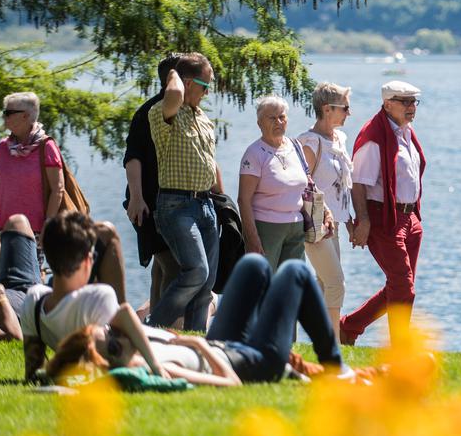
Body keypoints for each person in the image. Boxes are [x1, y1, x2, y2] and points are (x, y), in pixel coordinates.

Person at [48, 253, 347, 387]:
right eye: (113, 344)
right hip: (252, 361)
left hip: (221, 343)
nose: (118, 335)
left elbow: (125, 315)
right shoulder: (149, 368)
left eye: (109, 331)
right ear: (109, 361)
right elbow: (229, 383)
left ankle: (275, 340)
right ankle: (335, 369)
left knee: (252, 265)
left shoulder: (135, 349)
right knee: (296, 271)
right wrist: (197, 345)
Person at [342, 80, 426, 346]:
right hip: (384, 218)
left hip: (409, 217)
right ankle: (401, 350)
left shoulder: (405, 131)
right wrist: (363, 220)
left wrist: (412, 217)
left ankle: (350, 326)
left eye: (414, 101)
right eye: (405, 101)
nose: (412, 106)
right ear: (388, 104)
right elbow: (358, 182)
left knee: (401, 285)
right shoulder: (374, 136)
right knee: (403, 286)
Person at [22, 212, 150, 382]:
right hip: (153, 348)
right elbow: (126, 350)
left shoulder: (33, 299)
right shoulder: (99, 297)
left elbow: (33, 371)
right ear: (88, 261)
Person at [146, 53, 223, 332]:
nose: (207, 92)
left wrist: (222, 203)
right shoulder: (163, 113)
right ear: (188, 82)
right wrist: (174, 73)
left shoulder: (202, 117)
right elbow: (175, 93)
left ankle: (196, 341)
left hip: (206, 206)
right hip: (176, 205)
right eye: (205, 85)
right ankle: (152, 328)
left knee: (206, 285)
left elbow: (211, 164)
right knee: (196, 271)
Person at [296, 83, 353, 340]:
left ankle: (318, 342)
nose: (349, 113)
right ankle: (333, 344)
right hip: (315, 220)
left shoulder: (339, 139)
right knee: (335, 283)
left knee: (323, 283)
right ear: (327, 109)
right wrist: (324, 215)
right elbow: (300, 185)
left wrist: (348, 217)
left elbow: (342, 185)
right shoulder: (309, 143)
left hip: (335, 224)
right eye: (345, 108)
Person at [124, 56, 179, 309]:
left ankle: (155, 324)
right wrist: (136, 197)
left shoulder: (183, 111)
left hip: (168, 201)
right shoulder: (150, 112)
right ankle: (168, 325)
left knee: (161, 265)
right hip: (149, 201)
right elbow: (132, 158)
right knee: (173, 265)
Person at [239, 96, 311, 271]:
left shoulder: (296, 147)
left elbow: (308, 184)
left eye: (282, 117)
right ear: (259, 123)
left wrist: (326, 212)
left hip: (296, 227)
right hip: (266, 229)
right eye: (272, 118)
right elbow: (243, 200)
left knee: (293, 283)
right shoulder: (254, 153)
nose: (278, 122)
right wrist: (252, 238)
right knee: (262, 285)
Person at [0, 92, 65, 235]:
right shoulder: (3, 146)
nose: (4, 116)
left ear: (25, 116)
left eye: (8, 112)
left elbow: (58, 189)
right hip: (3, 230)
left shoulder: (46, 146)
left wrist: (47, 227)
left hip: (35, 232)